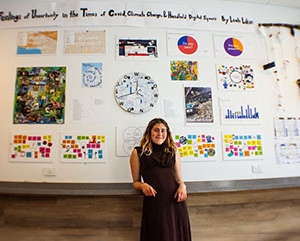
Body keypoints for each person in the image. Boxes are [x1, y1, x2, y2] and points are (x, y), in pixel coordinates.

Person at [129, 118, 192, 241]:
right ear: (149, 132)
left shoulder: (173, 151)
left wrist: (183, 186)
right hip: (155, 203)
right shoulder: (138, 153)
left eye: (163, 131)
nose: (160, 134)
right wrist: (142, 186)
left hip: (175, 202)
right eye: (156, 130)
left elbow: (179, 180)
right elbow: (135, 182)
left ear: (167, 133)